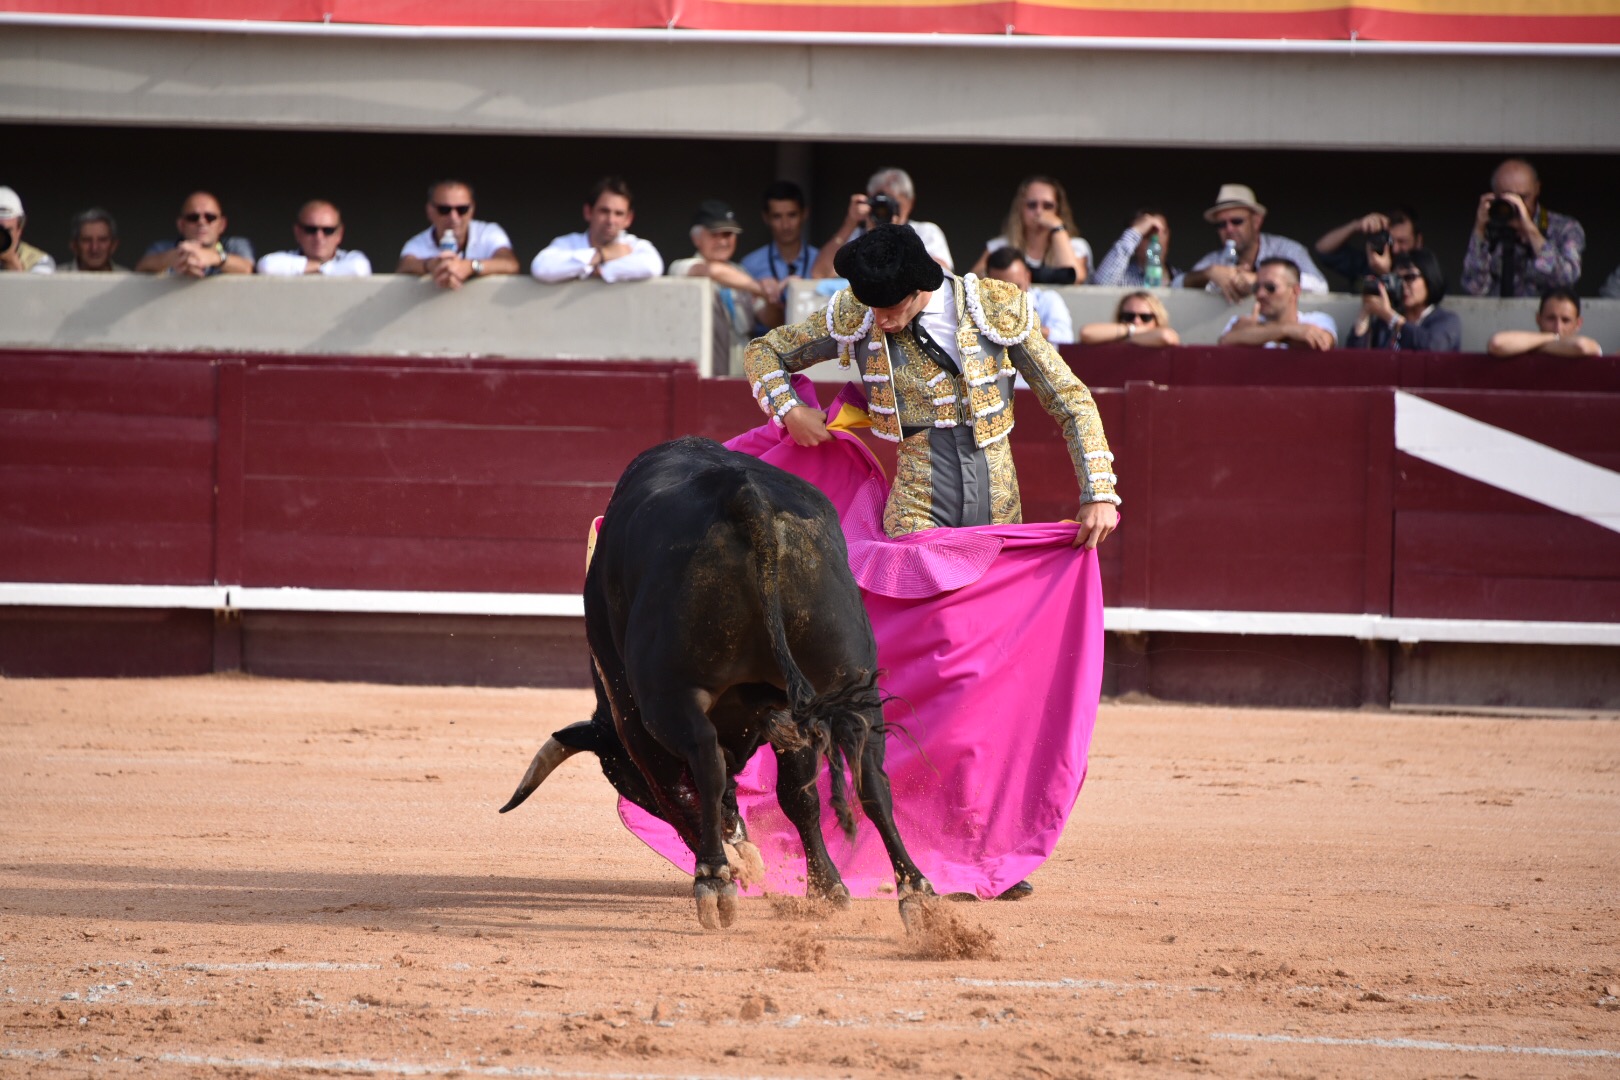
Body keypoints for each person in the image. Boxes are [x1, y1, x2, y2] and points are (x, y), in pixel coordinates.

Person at [747, 223, 1117, 542]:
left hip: (999, 502)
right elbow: (764, 350)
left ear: (921, 289)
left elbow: (1071, 399)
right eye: (874, 309)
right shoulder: (858, 314)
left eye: (891, 310)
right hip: (915, 504)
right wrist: (789, 410)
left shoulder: (994, 307)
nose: (881, 322)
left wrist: (1099, 492)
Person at [667, 199, 767, 375]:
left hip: (743, 380)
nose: (723, 241)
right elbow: (711, 270)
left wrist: (773, 295)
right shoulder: (682, 266)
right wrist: (760, 288)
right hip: (703, 379)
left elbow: (767, 317)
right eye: (715, 234)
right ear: (696, 238)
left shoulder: (741, 273)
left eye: (728, 234)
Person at [1462, 158, 1584, 298]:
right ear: (1494, 194)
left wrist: (1532, 232)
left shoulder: (1564, 228)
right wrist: (1479, 232)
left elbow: (1565, 280)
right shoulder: (1488, 229)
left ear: (1537, 188)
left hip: (1543, 317)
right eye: (1508, 197)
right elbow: (1474, 288)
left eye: (1523, 197)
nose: (1517, 204)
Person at [1181, 184, 1327, 301]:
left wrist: (1261, 280)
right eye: (1221, 225)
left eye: (1236, 221)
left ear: (1256, 222)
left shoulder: (1287, 249)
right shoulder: (1215, 260)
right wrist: (1207, 274)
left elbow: (1320, 287)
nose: (1229, 229)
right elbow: (1176, 285)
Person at [809, 167, 953, 278]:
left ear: (910, 203)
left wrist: (895, 236)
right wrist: (850, 222)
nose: (886, 211)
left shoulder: (925, 232)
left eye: (893, 204)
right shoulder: (857, 235)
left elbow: (940, 274)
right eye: (880, 205)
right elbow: (819, 274)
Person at [531, 176, 663, 284]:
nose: (611, 221)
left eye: (619, 214)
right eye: (604, 211)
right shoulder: (567, 243)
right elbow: (541, 268)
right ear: (588, 212)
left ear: (628, 218)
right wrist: (602, 255)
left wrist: (603, 271)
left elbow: (653, 266)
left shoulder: (634, 246)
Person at [968, 176, 1091, 285]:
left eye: (1048, 206)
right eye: (1032, 205)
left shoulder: (1076, 246)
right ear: (1020, 209)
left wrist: (1058, 227)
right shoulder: (1001, 246)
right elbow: (971, 280)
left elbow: (1076, 277)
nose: (1039, 212)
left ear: (1058, 210)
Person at [398, 179, 519, 289]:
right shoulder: (417, 243)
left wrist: (471, 266)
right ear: (430, 211)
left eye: (462, 209)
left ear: (471, 210)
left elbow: (510, 264)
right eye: (444, 210)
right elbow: (404, 267)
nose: (453, 217)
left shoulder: (488, 232)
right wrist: (430, 265)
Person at [739, 180, 819, 333]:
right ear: (766, 218)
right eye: (777, 216)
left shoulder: (820, 261)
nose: (786, 225)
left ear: (805, 214)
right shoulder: (749, 265)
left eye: (792, 215)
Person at [1346, 249, 1460, 351]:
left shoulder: (1446, 320)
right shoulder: (1384, 323)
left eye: (1410, 277)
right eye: (1397, 279)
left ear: (1429, 278)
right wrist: (1365, 312)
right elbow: (1355, 360)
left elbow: (1433, 346)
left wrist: (1390, 316)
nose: (1403, 285)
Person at [1218, 258, 1338, 350]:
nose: (1260, 294)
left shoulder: (1318, 319)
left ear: (1295, 291)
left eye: (1270, 287)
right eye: (1256, 287)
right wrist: (1287, 330)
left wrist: (1254, 334)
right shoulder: (1243, 321)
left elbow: (1322, 343)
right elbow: (1226, 341)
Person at [135, 191, 253, 277]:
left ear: (222, 225)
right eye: (193, 218)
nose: (201, 222)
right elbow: (142, 267)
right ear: (181, 225)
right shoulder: (163, 247)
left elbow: (247, 268)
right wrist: (177, 257)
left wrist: (214, 257)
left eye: (210, 217)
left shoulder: (236, 244)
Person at [983, 246, 1075, 345]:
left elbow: (1066, 338)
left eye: (1017, 286)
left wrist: (1021, 326)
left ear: (1028, 277)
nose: (1011, 295)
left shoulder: (1048, 299)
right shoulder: (978, 307)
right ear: (987, 283)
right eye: (1002, 289)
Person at [255, 200, 371, 277]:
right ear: (297, 233)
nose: (319, 237)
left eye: (328, 230)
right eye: (311, 230)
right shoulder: (287, 258)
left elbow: (360, 269)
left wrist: (317, 269)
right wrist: (325, 268)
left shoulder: (350, 259)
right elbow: (266, 265)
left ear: (339, 234)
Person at [1313, 208, 1422, 287]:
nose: (1395, 249)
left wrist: (1385, 275)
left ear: (1418, 241)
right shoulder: (1367, 264)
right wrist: (1357, 225)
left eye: (1403, 241)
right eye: (1391, 241)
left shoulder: (1424, 271)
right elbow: (1323, 250)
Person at [1486, 288, 1603, 358]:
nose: (1558, 327)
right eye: (1551, 318)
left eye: (1566, 320)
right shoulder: (1544, 339)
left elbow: (1580, 346)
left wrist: (1534, 345)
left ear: (1578, 324)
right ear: (1538, 319)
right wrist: (1553, 338)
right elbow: (1497, 344)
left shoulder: (1591, 345)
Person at [1092, 209, 1176, 288]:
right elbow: (1100, 287)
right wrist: (1136, 231)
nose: (1154, 238)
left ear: (1168, 235)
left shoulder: (1178, 278)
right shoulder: (1123, 279)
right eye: (1147, 233)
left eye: (1158, 232)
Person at [1078, 292, 1181, 348]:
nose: (1136, 321)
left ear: (1157, 319)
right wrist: (1131, 331)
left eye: (1145, 317)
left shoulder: (1166, 333)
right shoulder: (1127, 331)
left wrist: (1127, 337)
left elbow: (1166, 337)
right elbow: (1086, 333)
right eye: (1129, 316)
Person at [0, 187, 56, 274]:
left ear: (19, 229)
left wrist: (11, 262)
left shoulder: (39, 261)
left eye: (6, 231)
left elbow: (36, 287)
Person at [62, 208, 126, 273]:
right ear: (74, 246)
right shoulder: (53, 278)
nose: (94, 248)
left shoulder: (130, 280)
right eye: (86, 240)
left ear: (113, 245)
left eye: (102, 240)